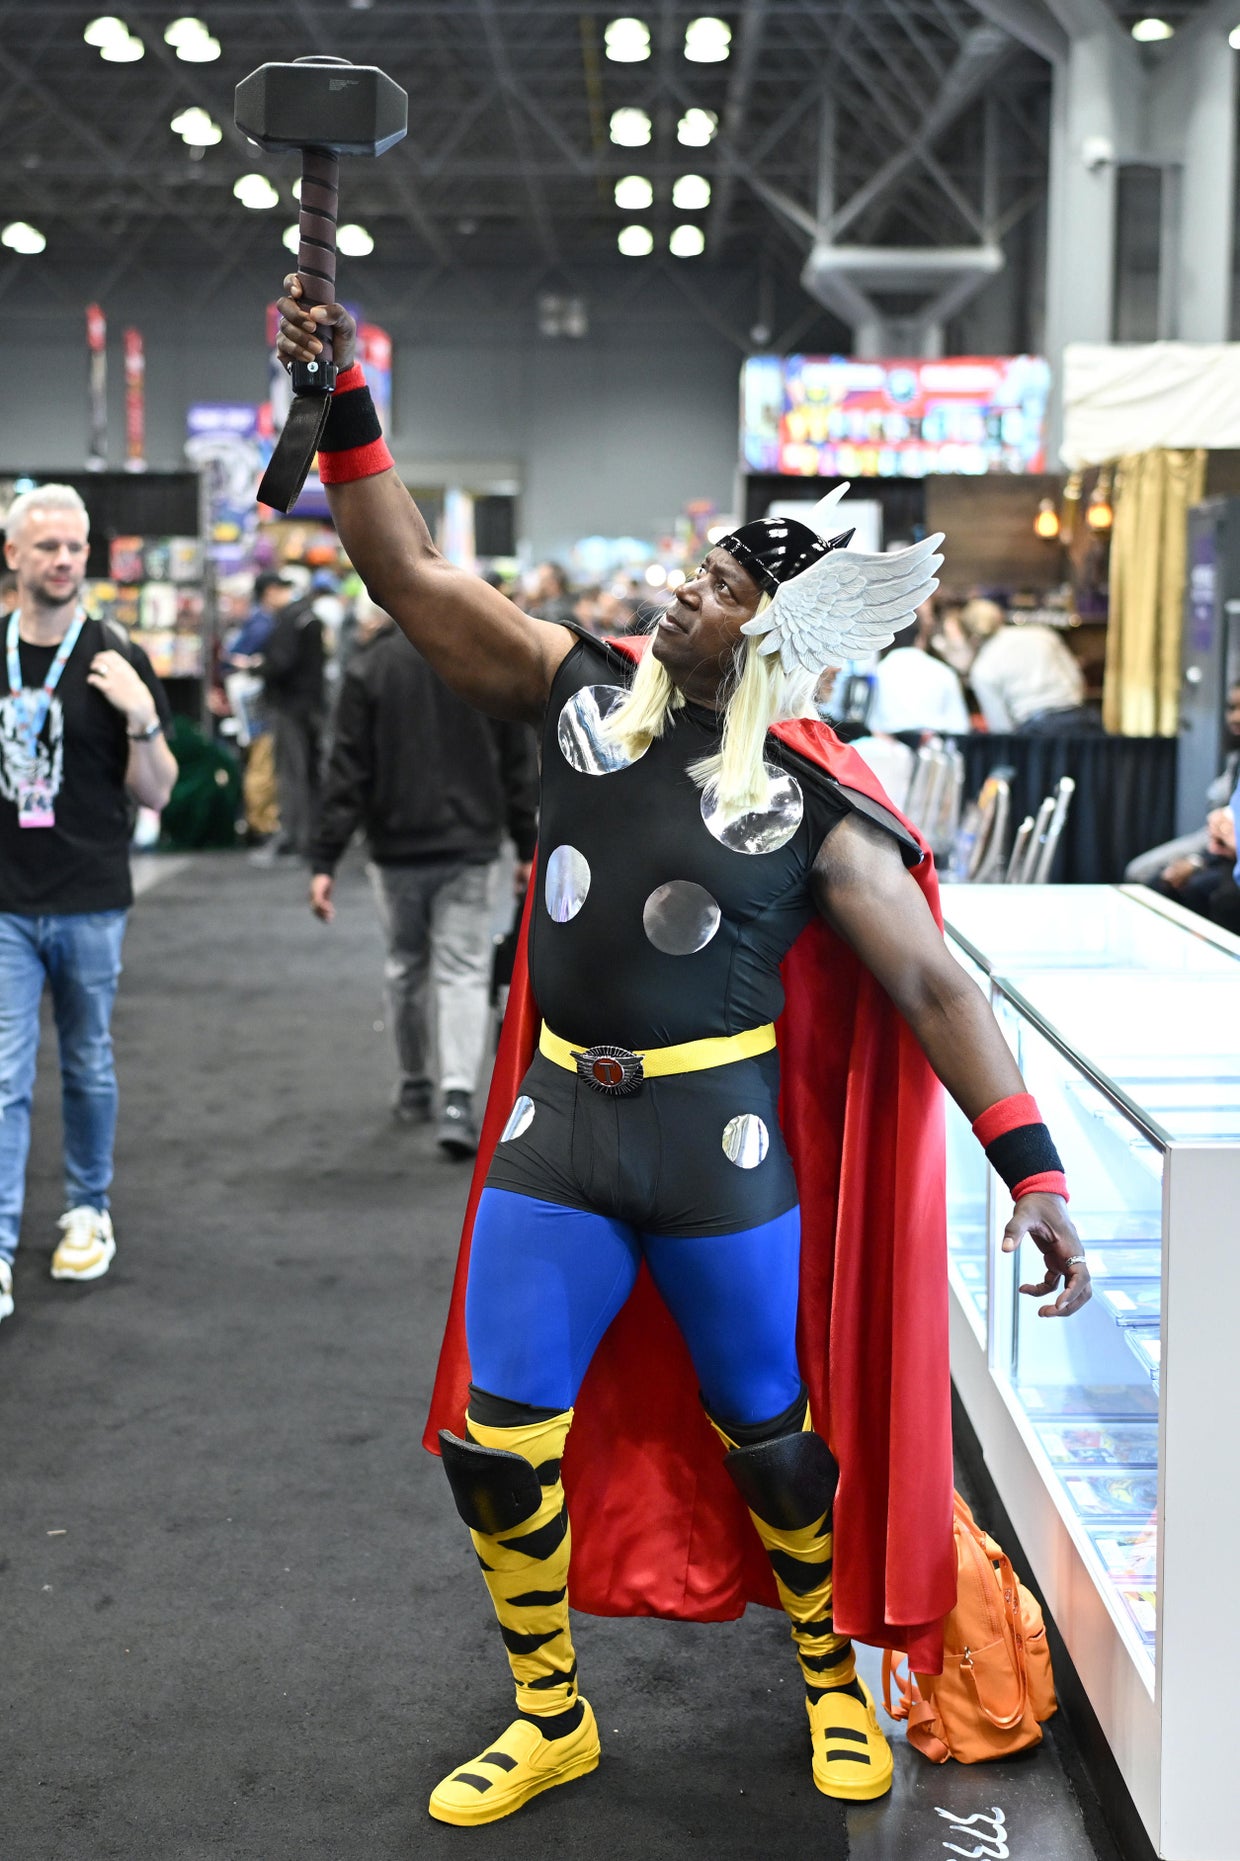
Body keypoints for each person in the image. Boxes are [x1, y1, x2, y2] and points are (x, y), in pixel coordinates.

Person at [277, 280, 1089, 1827]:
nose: (678, 590)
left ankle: (825, 1682)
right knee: (496, 1446)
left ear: (766, 630)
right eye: (689, 568)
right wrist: (346, 397)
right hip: (557, 1140)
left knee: (774, 1451)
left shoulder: (813, 801)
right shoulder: (572, 691)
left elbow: (929, 984)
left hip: (721, 1160)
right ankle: (550, 1711)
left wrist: (1031, 1165)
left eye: (712, 584)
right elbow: (402, 569)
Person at [0, 483, 178, 1326]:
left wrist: (143, 720)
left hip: (91, 897)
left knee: (87, 1064)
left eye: (75, 546)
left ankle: (86, 1209)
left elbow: (160, 793)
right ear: (14, 557)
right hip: (4, 900)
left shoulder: (113, 652)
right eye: (47, 547)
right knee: (2, 1077)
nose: (65, 560)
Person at [308, 595, 539, 1154]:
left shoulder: (369, 667)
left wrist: (325, 860)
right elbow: (518, 760)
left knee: (405, 966)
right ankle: (458, 1098)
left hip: (396, 848)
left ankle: (415, 1084)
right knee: (463, 969)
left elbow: (346, 770)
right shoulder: (483, 662)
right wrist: (528, 845)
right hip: (471, 845)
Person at [1125, 679, 1240, 890]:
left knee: (1203, 889)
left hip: (1225, 851)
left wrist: (1198, 862)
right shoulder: (1234, 759)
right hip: (1215, 843)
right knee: (1141, 873)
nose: (1235, 717)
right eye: (1232, 708)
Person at [961, 598, 1101, 735]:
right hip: (1081, 721)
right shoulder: (1042, 634)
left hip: (1036, 734)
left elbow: (1001, 729)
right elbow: (1077, 679)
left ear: (969, 636)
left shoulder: (982, 668)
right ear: (999, 616)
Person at [260, 580, 325, 861]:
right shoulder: (307, 616)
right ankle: (310, 837)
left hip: (290, 706)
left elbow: (281, 662)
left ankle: (292, 838)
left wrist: (259, 668)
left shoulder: (289, 620)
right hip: (311, 706)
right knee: (309, 772)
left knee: (291, 772)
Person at [865, 616, 971, 736]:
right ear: (920, 638)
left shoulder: (877, 672)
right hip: (934, 746)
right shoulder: (943, 672)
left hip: (888, 746)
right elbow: (960, 725)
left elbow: (871, 722)